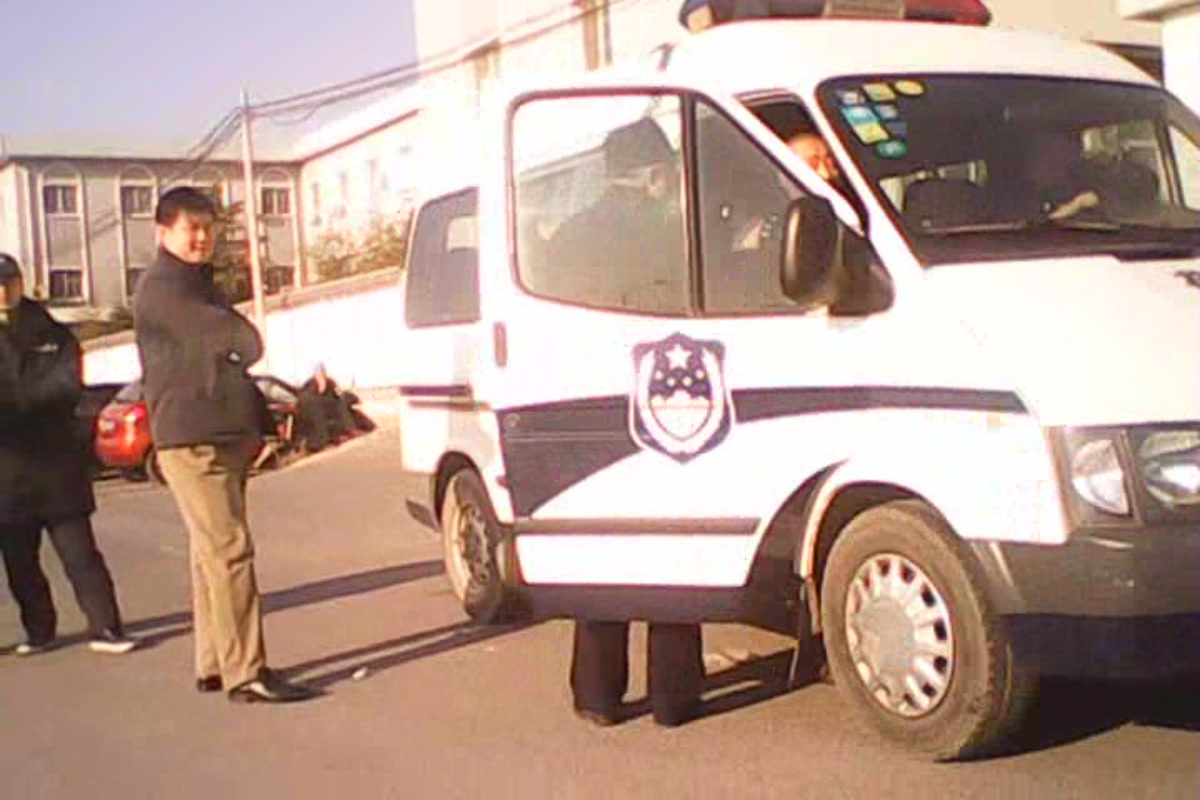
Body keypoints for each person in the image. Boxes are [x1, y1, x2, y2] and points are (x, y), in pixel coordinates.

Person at [549, 119, 706, 727]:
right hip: (662, 397)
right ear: (649, 174)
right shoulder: (672, 233)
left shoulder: (566, 237)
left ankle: (598, 696)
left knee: (601, 547)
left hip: (585, 402)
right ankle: (673, 696)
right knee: (670, 543)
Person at [132, 187, 316, 704]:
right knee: (230, 550)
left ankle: (215, 663)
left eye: (208, 228)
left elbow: (236, 345)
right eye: (191, 228)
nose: (202, 238)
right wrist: (238, 337)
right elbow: (242, 341)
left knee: (209, 552)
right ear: (163, 231)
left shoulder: (194, 283)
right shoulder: (165, 288)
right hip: (192, 437)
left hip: (214, 431)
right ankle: (246, 673)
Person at [1, 253, 136, 656]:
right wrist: (26, 401)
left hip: (57, 466)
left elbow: (66, 385)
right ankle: (40, 631)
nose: (3, 290)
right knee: (20, 563)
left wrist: (19, 402)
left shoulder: (53, 333)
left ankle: (107, 628)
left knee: (81, 555)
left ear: (21, 283)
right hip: (7, 472)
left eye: (9, 281)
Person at [295, 362, 360, 452]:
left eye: (321, 372)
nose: (320, 375)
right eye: (318, 373)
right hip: (314, 411)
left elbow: (339, 394)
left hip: (328, 407)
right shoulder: (309, 384)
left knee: (340, 406)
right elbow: (305, 397)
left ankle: (347, 430)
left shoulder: (330, 382)